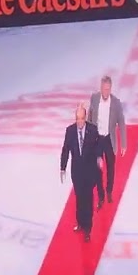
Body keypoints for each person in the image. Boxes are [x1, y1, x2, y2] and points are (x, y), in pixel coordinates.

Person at [59, 104, 99, 242]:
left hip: (89, 172)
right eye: (77, 119)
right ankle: (80, 223)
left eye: (82, 118)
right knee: (79, 198)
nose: (80, 122)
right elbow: (65, 150)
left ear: (85, 117)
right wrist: (62, 168)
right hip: (76, 172)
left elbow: (97, 149)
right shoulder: (70, 131)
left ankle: (88, 227)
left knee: (87, 200)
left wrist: (99, 159)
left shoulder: (93, 130)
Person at [87, 75, 126, 208]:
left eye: (108, 89)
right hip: (97, 138)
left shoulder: (116, 102)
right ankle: (101, 195)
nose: (105, 92)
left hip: (109, 138)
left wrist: (124, 143)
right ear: (100, 88)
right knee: (97, 169)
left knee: (111, 167)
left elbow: (121, 122)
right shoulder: (94, 98)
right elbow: (90, 118)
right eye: (104, 89)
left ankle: (109, 191)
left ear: (111, 89)